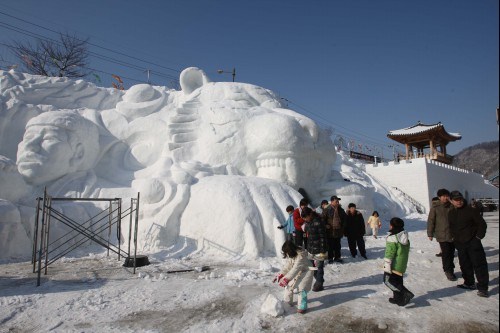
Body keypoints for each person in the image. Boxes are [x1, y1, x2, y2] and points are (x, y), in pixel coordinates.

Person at [448, 191, 489, 298]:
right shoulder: (451, 213)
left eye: (460, 199)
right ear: (451, 201)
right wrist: (453, 238)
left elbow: (482, 224)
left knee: (479, 265)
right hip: (460, 243)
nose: (459, 202)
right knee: (465, 264)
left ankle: (483, 288)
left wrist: (478, 237)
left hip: (473, 242)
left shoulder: (471, 210)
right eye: (456, 200)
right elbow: (451, 226)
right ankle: (469, 283)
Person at [272, 240, 314, 314]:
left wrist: (286, 279)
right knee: (289, 286)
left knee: (302, 289)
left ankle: (302, 307)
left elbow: (295, 269)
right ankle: (287, 302)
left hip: (306, 271)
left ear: (291, 250)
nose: (287, 254)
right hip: (298, 272)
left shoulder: (301, 256)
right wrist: (281, 274)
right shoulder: (292, 255)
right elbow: (288, 266)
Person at [383, 217, 414, 306]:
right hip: (401, 264)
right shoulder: (404, 236)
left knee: (388, 281)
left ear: (392, 226)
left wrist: (387, 264)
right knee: (398, 281)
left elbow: (390, 252)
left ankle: (404, 293)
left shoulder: (392, 238)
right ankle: (398, 299)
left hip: (394, 264)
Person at [427, 189, 457, 281]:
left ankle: (450, 267)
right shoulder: (435, 208)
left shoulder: (452, 206)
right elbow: (431, 220)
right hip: (442, 234)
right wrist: (430, 233)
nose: (445, 198)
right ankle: (448, 270)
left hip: (453, 233)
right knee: (446, 253)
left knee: (451, 252)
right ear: (439, 197)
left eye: (447, 196)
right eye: (443, 196)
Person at [301, 207, 327, 291]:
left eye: (305, 217)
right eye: (304, 218)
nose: (305, 219)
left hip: (320, 248)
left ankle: (319, 284)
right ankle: (319, 279)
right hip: (311, 248)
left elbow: (323, 236)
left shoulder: (318, 222)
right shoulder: (308, 223)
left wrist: (323, 249)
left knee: (319, 267)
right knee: (311, 267)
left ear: (310, 214)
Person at [321, 195, 347, 263]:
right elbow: (322, 219)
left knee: (338, 245)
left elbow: (345, 219)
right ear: (332, 202)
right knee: (330, 245)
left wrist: (342, 226)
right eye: (336, 201)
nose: (338, 203)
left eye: (338, 201)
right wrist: (325, 225)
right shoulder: (327, 209)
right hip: (330, 231)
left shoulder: (341, 210)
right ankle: (330, 258)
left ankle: (337, 257)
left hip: (338, 230)